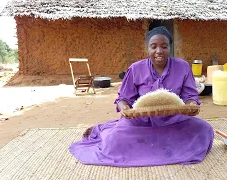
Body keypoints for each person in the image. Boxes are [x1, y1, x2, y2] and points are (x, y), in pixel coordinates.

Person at [69, 26, 214, 167]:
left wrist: (191, 105)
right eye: (153, 46)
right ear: (147, 49)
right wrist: (125, 107)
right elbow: (123, 98)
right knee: (112, 141)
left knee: (204, 130)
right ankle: (105, 132)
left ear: (170, 47)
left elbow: (190, 95)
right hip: (141, 122)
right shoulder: (136, 68)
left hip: (174, 120)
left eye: (164, 46)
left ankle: (153, 146)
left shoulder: (182, 67)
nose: (159, 51)